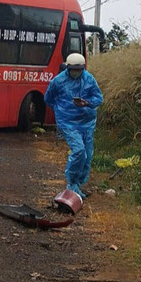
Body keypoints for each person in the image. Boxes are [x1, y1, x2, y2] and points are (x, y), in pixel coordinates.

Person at [44, 53, 103, 199]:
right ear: (68, 68)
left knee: (87, 156)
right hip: (68, 122)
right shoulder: (58, 81)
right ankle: (71, 184)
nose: (76, 72)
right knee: (79, 151)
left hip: (87, 122)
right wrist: (62, 111)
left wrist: (87, 103)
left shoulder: (89, 79)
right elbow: (48, 98)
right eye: (73, 69)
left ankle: (78, 184)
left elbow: (98, 97)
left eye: (79, 69)